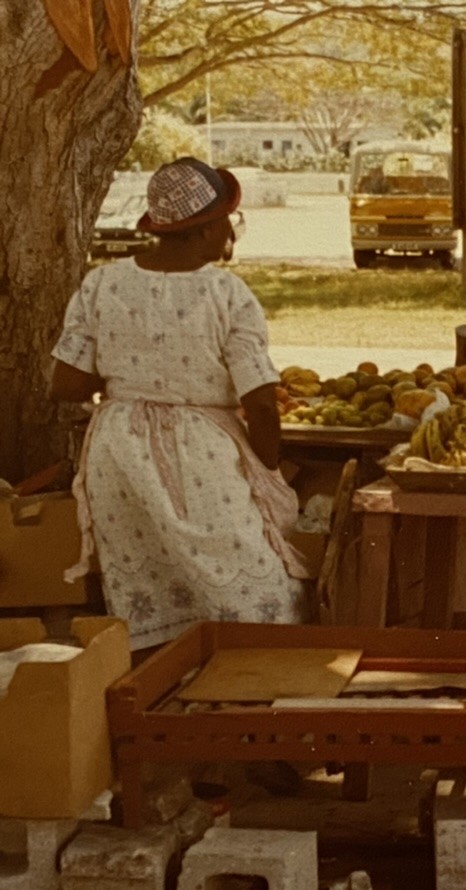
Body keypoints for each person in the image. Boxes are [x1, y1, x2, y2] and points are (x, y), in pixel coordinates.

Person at [50, 157, 308, 656]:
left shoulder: (102, 284)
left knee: (146, 583)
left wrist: (137, 376)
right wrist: (267, 467)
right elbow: (261, 403)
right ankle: (244, 690)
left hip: (118, 452)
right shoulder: (227, 294)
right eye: (230, 219)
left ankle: (157, 694)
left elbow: (66, 383)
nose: (233, 229)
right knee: (254, 589)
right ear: (207, 228)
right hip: (201, 453)